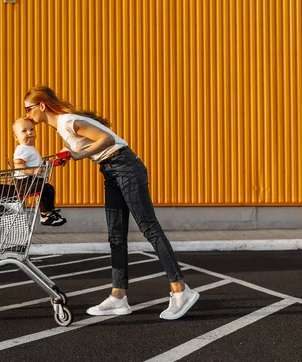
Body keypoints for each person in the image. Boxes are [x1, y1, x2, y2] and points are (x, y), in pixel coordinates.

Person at [23, 85, 199, 320]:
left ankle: (180, 290)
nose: (27, 115)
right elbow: (85, 141)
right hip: (111, 171)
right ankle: (118, 296)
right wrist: (66, 153)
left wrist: (76, 155)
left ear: (41, 106)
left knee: (149, 228)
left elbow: (106, 139)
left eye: (28, 109)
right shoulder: (63, 127)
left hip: (125, 166)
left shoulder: (66, 121)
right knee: (116, 235)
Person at [12, 117, 67, 227]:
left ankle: (48, 213)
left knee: (47, 188)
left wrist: (54, 163)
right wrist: (33, 171)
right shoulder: (22, 148)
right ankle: (46, 215)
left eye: (32, 129)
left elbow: (39, 165)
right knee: (45, 188)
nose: (29, 132)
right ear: (16, 137)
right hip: (24, 183)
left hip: (31, 180)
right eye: (24, 131)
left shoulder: (30, 148)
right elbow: (18, 165)